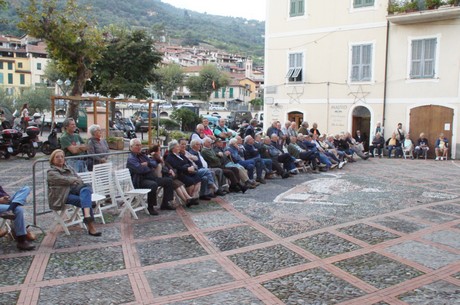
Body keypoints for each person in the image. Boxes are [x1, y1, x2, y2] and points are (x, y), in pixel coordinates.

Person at [47, 149, 101, 236]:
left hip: (73, 191)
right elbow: (64, 180)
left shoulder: (68, 168)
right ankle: (91, 226)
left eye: (62, 156)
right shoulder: (51, 172)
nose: (60, 158)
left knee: (86, 190)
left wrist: (74, 180)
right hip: (61, 196)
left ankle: (87, 217)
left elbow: (79, 179)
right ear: (52, 160)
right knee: (85, 200)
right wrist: (73, 180)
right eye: (57, 157)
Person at [126, 139, 175, 214]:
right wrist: (148, 167)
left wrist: (147, 164)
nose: (139, 147)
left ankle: (165, 203)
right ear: (131, 147)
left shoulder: (142, 155)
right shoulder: (131, 158)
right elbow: (140, 170)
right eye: (137, 145)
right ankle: (150, 207)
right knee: (153, 185)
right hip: (139, 181)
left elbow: (154, 163)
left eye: (140, 145)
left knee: (169, 181)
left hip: (150, 177)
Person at [0, 185, 35, 250]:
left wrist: (6, 197)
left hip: (5, 202)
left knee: (26, 188)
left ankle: (11, 208)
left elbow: (2, 193)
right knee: (18, 210)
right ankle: (21, 240)